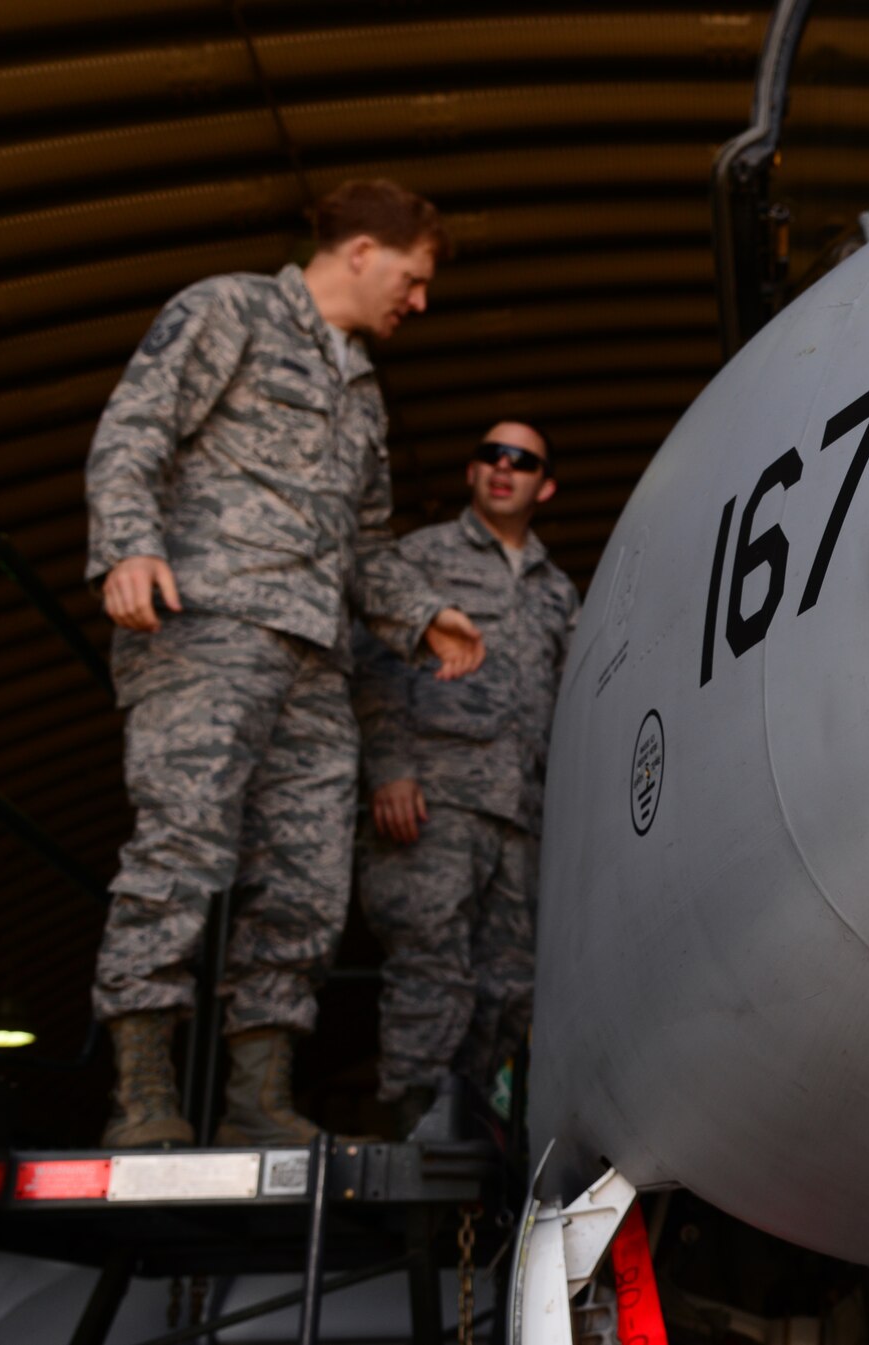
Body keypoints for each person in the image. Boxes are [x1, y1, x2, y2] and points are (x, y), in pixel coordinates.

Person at [86, 179, 486, 1148]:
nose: (418, 300)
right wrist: (129, 544)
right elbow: (136, 426)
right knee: (182, 848)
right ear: (361, 251)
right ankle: (143, 1096)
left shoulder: (362, 389)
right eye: (413, 276)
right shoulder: (230, 308)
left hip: (314, 657)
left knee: (308, 875)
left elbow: (368, 541)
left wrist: (420, 611)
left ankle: (255, 1097)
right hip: (203, 622)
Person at [352, 422, 579, 1134]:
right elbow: (373, 663)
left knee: (509, 988)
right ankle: (416, 1132)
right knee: (431, 967)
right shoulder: (420, 560)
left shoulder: (559, 592)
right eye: (490, 454)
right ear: (472, 472)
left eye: (523, 460)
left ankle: (473, 1129)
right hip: (437, 801)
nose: (504, 467)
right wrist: (390, 769)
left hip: (524, 814)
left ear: (545, 485)